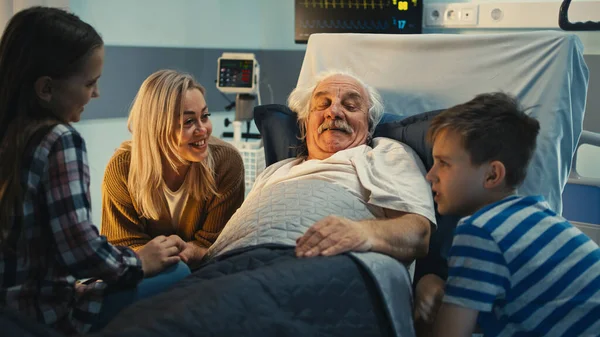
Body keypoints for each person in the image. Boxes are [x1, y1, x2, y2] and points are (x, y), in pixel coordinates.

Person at [0, 7, 191, 336]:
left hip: (11, 313)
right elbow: (80, 251)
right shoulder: (59, 140)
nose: (96, 93)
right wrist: (140, 261)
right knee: (181, 275)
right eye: (90, 83)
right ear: (46, 89)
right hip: (46, 316)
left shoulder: (10, 136)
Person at [424, 92, 600, 337]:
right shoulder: (537, 217)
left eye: (443, 163)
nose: (430, 175)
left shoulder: (480, 231)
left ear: (492, 175)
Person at [101, 69, 245, 269]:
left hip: (204, 273)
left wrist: (193, 251)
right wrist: (156, 257)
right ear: (156, 127)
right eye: (188, 121)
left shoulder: (226, 163)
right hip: (142, 273)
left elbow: (220, 245)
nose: (203, 129)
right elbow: (121, 244)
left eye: (204, 116)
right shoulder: (122, 168)